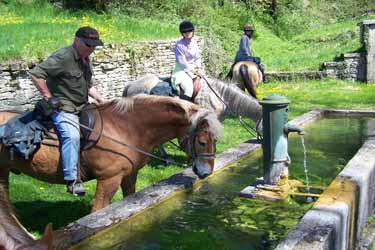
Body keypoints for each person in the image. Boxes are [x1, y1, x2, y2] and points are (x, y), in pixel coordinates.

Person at [29, 26, 107, 196]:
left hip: (82, 105)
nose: (92, 48)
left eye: (94, 45)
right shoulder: (63, 57)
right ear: (76, 41)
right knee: (71, 136)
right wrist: (48, 97)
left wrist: (101, 99)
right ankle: (72, 180)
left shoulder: (85, 58)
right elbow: (36, 74)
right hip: (63, 107)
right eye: (88, 45)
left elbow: (87, 85)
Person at [171, 20, 204, 101]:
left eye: (189, 31)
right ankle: (182, 109)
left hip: (194, 68)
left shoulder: (194, 43)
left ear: (193, 31)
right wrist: (194, 71)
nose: (187, 33)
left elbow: (197, 57)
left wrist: (199, 68)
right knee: (189, 89)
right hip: (181, 70)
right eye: (185, 31)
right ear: (182, 33)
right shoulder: (179, 44)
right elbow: (182, 62)